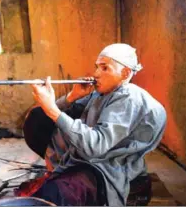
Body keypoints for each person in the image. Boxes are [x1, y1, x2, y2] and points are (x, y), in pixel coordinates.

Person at [24, 43, 167, 206]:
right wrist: (72, 95)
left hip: (107, 166)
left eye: (105, 68)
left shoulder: (129, 98)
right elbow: (58, 116)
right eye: (97, 67)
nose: (96, 74)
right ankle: (59, 174)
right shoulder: (102, 94)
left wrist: (51, 109)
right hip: (88, 158)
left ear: (125, 73)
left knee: (54, 194)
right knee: (37, 120)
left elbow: (95, 146)